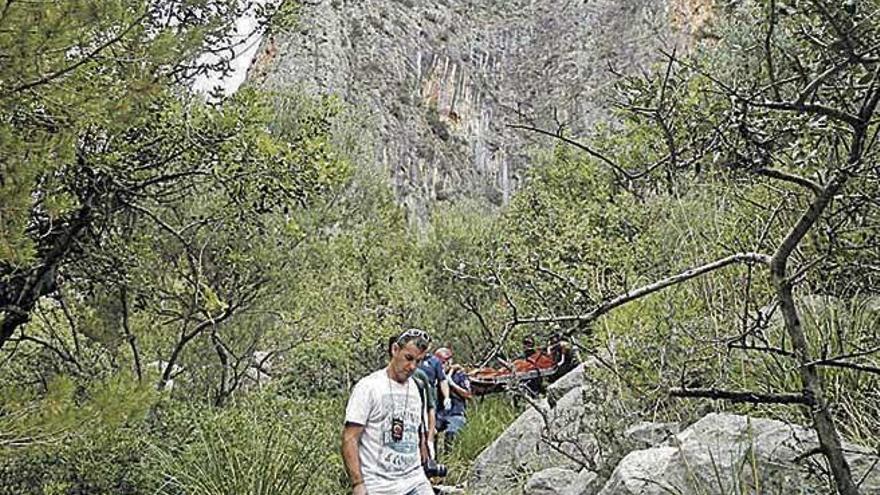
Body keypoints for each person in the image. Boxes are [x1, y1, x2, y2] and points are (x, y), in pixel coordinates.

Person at [342, 328, 434, 495]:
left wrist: (426, 452)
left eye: (418, 361)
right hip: (379, 485)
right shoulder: (369, 387)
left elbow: (418, 429)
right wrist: (358, 484)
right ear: (395, 350)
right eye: (408, 358)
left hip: (414, 480)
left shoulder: (417, 387)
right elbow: (350, 437)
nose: (412, 366)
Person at [436, 360, 472, 453]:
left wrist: (452, 384)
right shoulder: (436, 374)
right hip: (440, 413)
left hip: (456, 412)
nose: (442, 366)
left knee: (451, 434)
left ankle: (449, 457)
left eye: (444, 363)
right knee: (430, 430)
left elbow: (468, 394)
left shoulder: (460, 375)